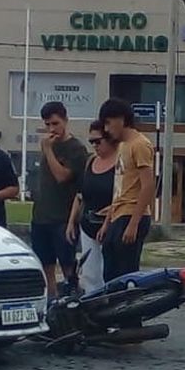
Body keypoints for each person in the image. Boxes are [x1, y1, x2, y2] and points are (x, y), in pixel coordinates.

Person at [30, 101, 91, 297]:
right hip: (41, 215)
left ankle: (72, 294)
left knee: (67, 262)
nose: (51, 129)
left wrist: (48, 150)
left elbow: (62, 176)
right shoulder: (48, 144)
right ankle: (51, 296)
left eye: (55, 123)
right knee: (45, 261)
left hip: (63, 216)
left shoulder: (75, 149)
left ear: (65, 120)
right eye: (47, 124)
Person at [96, 98, 155, 282]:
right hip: (118, 214)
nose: (106, 129)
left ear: (121, 119)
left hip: (132, 214)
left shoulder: (140, 144)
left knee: (126, 273)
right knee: (110, 273)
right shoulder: (122, 146)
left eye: (108, 122)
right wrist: (107, 221)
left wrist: (134, 223)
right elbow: (119, 188)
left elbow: (148, 184)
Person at [66, 120, 117, 295]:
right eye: (91, 142)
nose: (95, 146)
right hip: (88, 223)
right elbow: (80, 195)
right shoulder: (90, 162)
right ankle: (93, 305)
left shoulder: (120, 164)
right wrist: (72, 221)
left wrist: (108, 221)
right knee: (89, 273)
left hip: (110, 224)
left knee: (109, 270)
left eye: (98, 141)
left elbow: (122, 196)